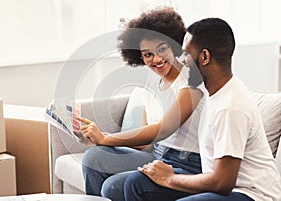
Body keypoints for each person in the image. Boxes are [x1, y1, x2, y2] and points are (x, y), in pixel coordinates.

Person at [123, 18, 281, 201]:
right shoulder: (213, 93)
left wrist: (171, 178)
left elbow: (223, 182)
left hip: (250, 194)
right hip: (220, 188)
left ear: (204, 57)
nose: (180, 60)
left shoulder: (230, 106)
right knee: (136, 183)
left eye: (186, 54)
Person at [79, 7, 205, 201]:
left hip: (189, 163)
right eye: (147, 54)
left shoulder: (191, 80)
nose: (156, 59)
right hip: (157, 154)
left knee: (113, 187)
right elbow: (146, 138)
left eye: (162, 49)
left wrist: (106, 138)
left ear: (175, 45)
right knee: (93, 158)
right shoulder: (152, 80)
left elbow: (163, 129)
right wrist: (98, 140)